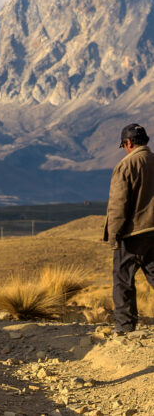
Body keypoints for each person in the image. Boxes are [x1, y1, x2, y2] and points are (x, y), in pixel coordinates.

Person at [104, 123, 154, 335]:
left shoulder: (126, 165)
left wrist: (113, 235)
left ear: (128, 143)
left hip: (133, 233)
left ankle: (125, 327)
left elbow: (118, 205)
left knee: (123, 279)